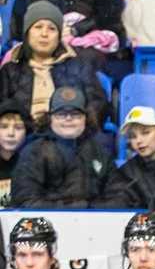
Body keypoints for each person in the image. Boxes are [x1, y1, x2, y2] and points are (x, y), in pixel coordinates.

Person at [9, 85, 140, 208]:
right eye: (61, 114)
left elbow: (120, 194)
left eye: (75, 114)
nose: (68, 119)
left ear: (86, 118)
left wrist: (89, 213)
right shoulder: (33, 153)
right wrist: (75, 209)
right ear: (50, 118)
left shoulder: (100, 152)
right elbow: (25, 200)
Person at [0, 0, 109, 129]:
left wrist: (78, 127)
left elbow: (97, 103)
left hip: (69, 135)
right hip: (23, 137)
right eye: (38, 27)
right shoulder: (11, 71)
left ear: (59, 36)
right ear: (27, 34)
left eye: (52, 28)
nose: (44, 34)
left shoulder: (79, 66)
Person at [0, 102, 32, 206]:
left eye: (18, 127)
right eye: (4, 127)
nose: (11, 133)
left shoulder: (34, 162)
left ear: (27, 131)